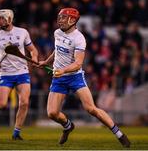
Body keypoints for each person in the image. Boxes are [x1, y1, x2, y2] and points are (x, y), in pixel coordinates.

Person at [39, 8, 131, 148]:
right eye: (60, 17)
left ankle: (119, 134)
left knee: (91, 108)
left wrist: (62, 70)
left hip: (74, 77)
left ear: (73, 20)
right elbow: (57, 49)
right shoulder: (57, 33)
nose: (60, 20)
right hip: (59, 78)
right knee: (52, 113)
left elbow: (78, 63)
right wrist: (46, 62)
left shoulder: (79, 38)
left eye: (64, 18)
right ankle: (68, 126)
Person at [0, 9, 38, 140]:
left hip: (22, 72)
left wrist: (35, 59)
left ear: (10, 19)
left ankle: (16, 133)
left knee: (24, 103)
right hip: (6, 74)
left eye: (2, 18)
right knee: (1, 105)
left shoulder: (22, 32)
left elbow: (32, 50)